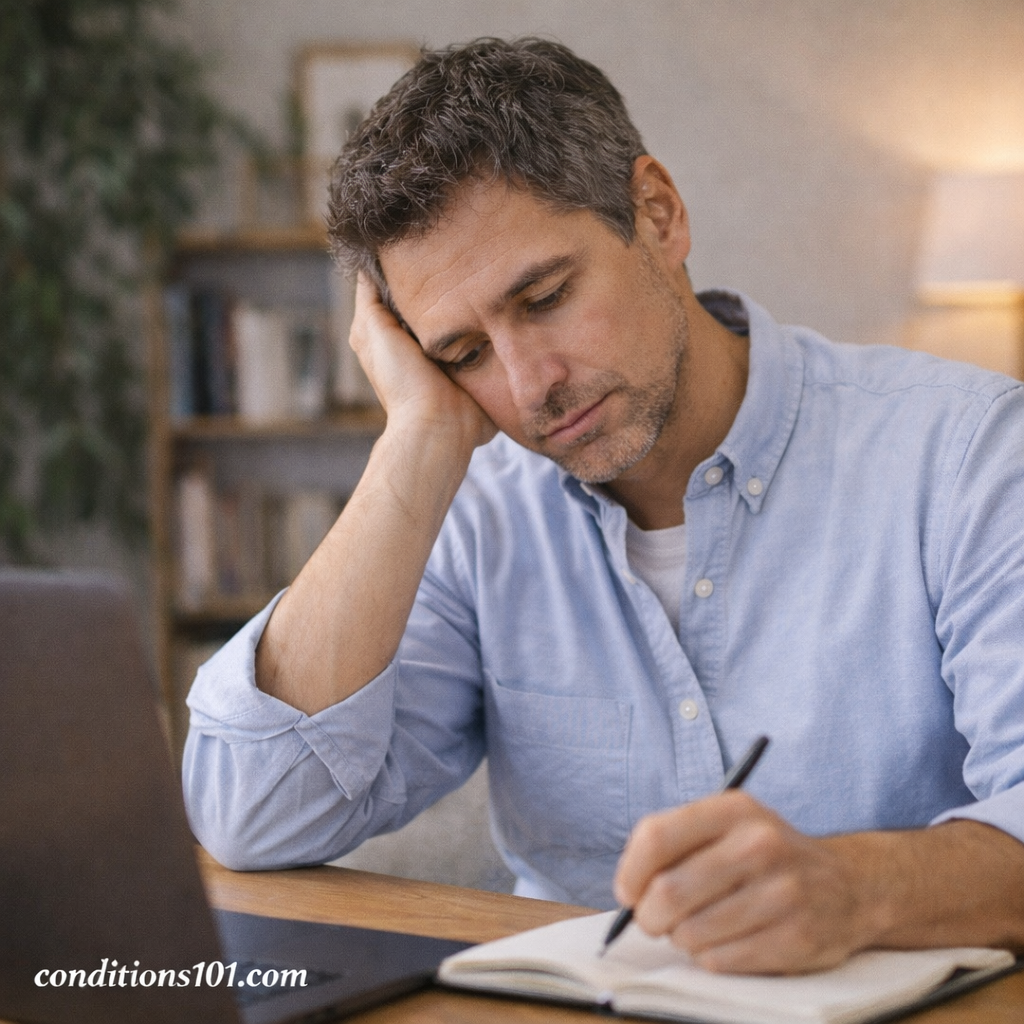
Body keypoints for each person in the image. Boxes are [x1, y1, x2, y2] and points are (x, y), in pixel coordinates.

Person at [183, 37, 1024, 973]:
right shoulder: (474, 513)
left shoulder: (968, 455)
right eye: (462, 354)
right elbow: (251, 814)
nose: (529, 383)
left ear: (657, 215)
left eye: (544, 297)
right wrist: (413, 445)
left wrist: (858, 890)